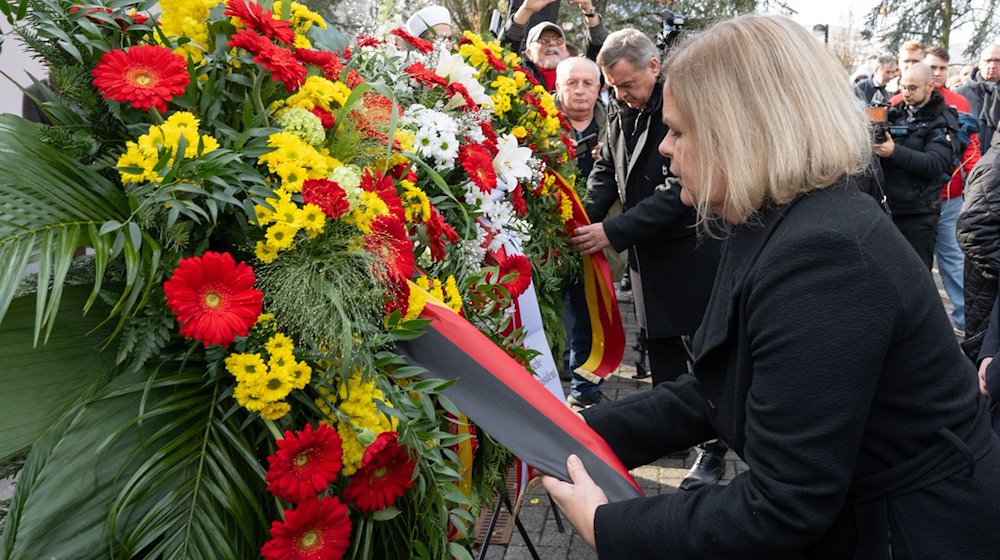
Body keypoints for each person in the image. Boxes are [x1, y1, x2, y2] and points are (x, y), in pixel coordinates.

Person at [543, 14, 1000, 558]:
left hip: (911, 533)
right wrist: (578, 433)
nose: (665, 148)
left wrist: (610, 526)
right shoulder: (776, 219)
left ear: (742, 134)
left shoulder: (825, 256)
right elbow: (719, 388)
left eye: (681, 131)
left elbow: (783, 506)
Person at [572, 28, 724, 487]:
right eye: (613, 87)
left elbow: (679, 190)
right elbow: (605, 171)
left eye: (628, 84)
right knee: (660, 346)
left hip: (690, 250)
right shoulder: (621, 111)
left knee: (704, 354)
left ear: (654, 67)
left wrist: (612, 230)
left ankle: (714, 448)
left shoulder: (686, 105)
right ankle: (670, 433)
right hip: (647, 256)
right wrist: (578, 218)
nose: (620, 94)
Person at [554, 56, 613, 407]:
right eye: (570, 83)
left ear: (599, 88)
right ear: (557, 87)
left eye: (587, 83)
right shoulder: (534, 126)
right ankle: (539, 387)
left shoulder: (615, 128)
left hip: (595, 242)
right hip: (548, 243)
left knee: (592, 317)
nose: (579, 90)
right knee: (549, 316)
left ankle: (585, 389)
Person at [876, 63, 958, 270]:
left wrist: (894, 152)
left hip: (918, 215)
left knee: (917, 275)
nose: (906, 93)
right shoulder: (895, 113)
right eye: (902, 87)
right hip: (888, 209)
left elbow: (935, 164)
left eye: (912, 88)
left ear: (930, 86)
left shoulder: (943, 120)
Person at [500, 0, 607, 92]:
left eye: (558, 40)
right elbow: (505, 51)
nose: (551, 43)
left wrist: (589, 12)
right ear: (529, 53)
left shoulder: (579, 76)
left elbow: (600, 55)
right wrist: (526, 10)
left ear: (566, 52)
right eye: (542, 40)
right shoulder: (517, 75)